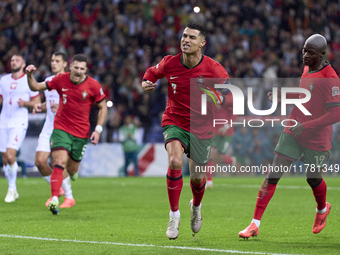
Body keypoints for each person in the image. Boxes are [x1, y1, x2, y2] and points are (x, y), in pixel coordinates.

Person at [238, 34, 340, 238]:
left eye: (310, 53)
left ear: (322, 54)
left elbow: (336, 113)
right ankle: (254, 224)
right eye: (304, 50)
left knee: (313, 178)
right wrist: (283, 96)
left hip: (316, 137)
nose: (305, 55)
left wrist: (307, 125)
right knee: (273, 174)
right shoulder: (307, 69)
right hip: (294, 129)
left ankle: (322, 209)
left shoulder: (331, 79)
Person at [142, 23, 230, 239]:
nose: (186, 40)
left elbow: (227, 94)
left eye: (191, 37)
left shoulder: (214, 69)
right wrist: (146, 83)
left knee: (198, 178)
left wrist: (216, 96)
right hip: (175, 121)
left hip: (201, 127)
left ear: (202, 43)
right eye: (184, 36)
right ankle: (174, 215)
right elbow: (151, 74)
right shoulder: (170, 62)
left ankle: (196, 207)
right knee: (174, 162)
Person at [25, 54, 108, 215]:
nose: (78, 71)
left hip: (81, 133)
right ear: (70, 66)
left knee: (70, 169)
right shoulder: (60, 79)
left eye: (82, 69)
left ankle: (71, 175)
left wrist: (98, 130)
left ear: (86, 69)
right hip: (61, 128)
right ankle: (55, 198)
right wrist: (29, 75)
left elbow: (103, 107)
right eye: (76, 67)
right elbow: (35, 87)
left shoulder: (93, 85)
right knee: (58, 161)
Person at [33, 52, 76, 208]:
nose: (53, 63)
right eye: (52, 60)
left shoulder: (71, 82)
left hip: (63, 127)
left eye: (57, 61)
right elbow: (50, 104)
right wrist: (41, 106)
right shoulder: (49, 81)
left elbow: (78, 106)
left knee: (58, 163)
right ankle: (57, 189)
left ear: (65, 64)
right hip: (48, 126)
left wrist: (61, 107)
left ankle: (69, 197)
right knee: (39, 162)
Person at [0, 54, 40, 202]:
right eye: (11, 60)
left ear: (23, 64)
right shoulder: (3, 80)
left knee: (11, 156)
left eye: (17, 60)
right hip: (3, 121)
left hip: (19, 122)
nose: (13, 62)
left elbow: (37, 100)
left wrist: (26, 103)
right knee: (5, 159)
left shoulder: (27, 80)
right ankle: (14, 189)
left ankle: (11, 189)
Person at [206, 105, 236, 188]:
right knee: (210, 155)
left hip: (227, 133)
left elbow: (235, 113)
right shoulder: (208, 98)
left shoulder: (226, 97)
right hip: (214, 131)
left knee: (219, 158)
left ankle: (231, 160)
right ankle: (209, 182)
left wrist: (226, 127)